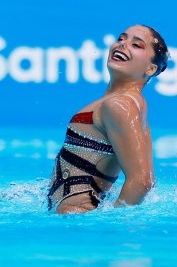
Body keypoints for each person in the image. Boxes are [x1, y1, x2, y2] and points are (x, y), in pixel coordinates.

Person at [47, 25, 169, 214]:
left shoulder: (119, 105)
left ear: (151, 68)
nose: (122, 45)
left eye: (136, 45)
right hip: (77, 216)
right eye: (121, 38)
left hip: (74, 218)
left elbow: (142, 181)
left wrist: (113, 223)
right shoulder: (134, 105)